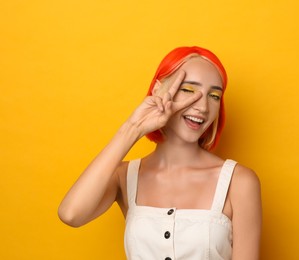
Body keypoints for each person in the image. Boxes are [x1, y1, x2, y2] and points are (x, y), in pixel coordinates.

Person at [58, 46, 262, 259]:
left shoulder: (239, 181)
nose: (202, 107)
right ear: (158, 92)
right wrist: (133, 128)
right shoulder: (124, 176)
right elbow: (71, 214)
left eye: (214, 95)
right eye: (188, 90)